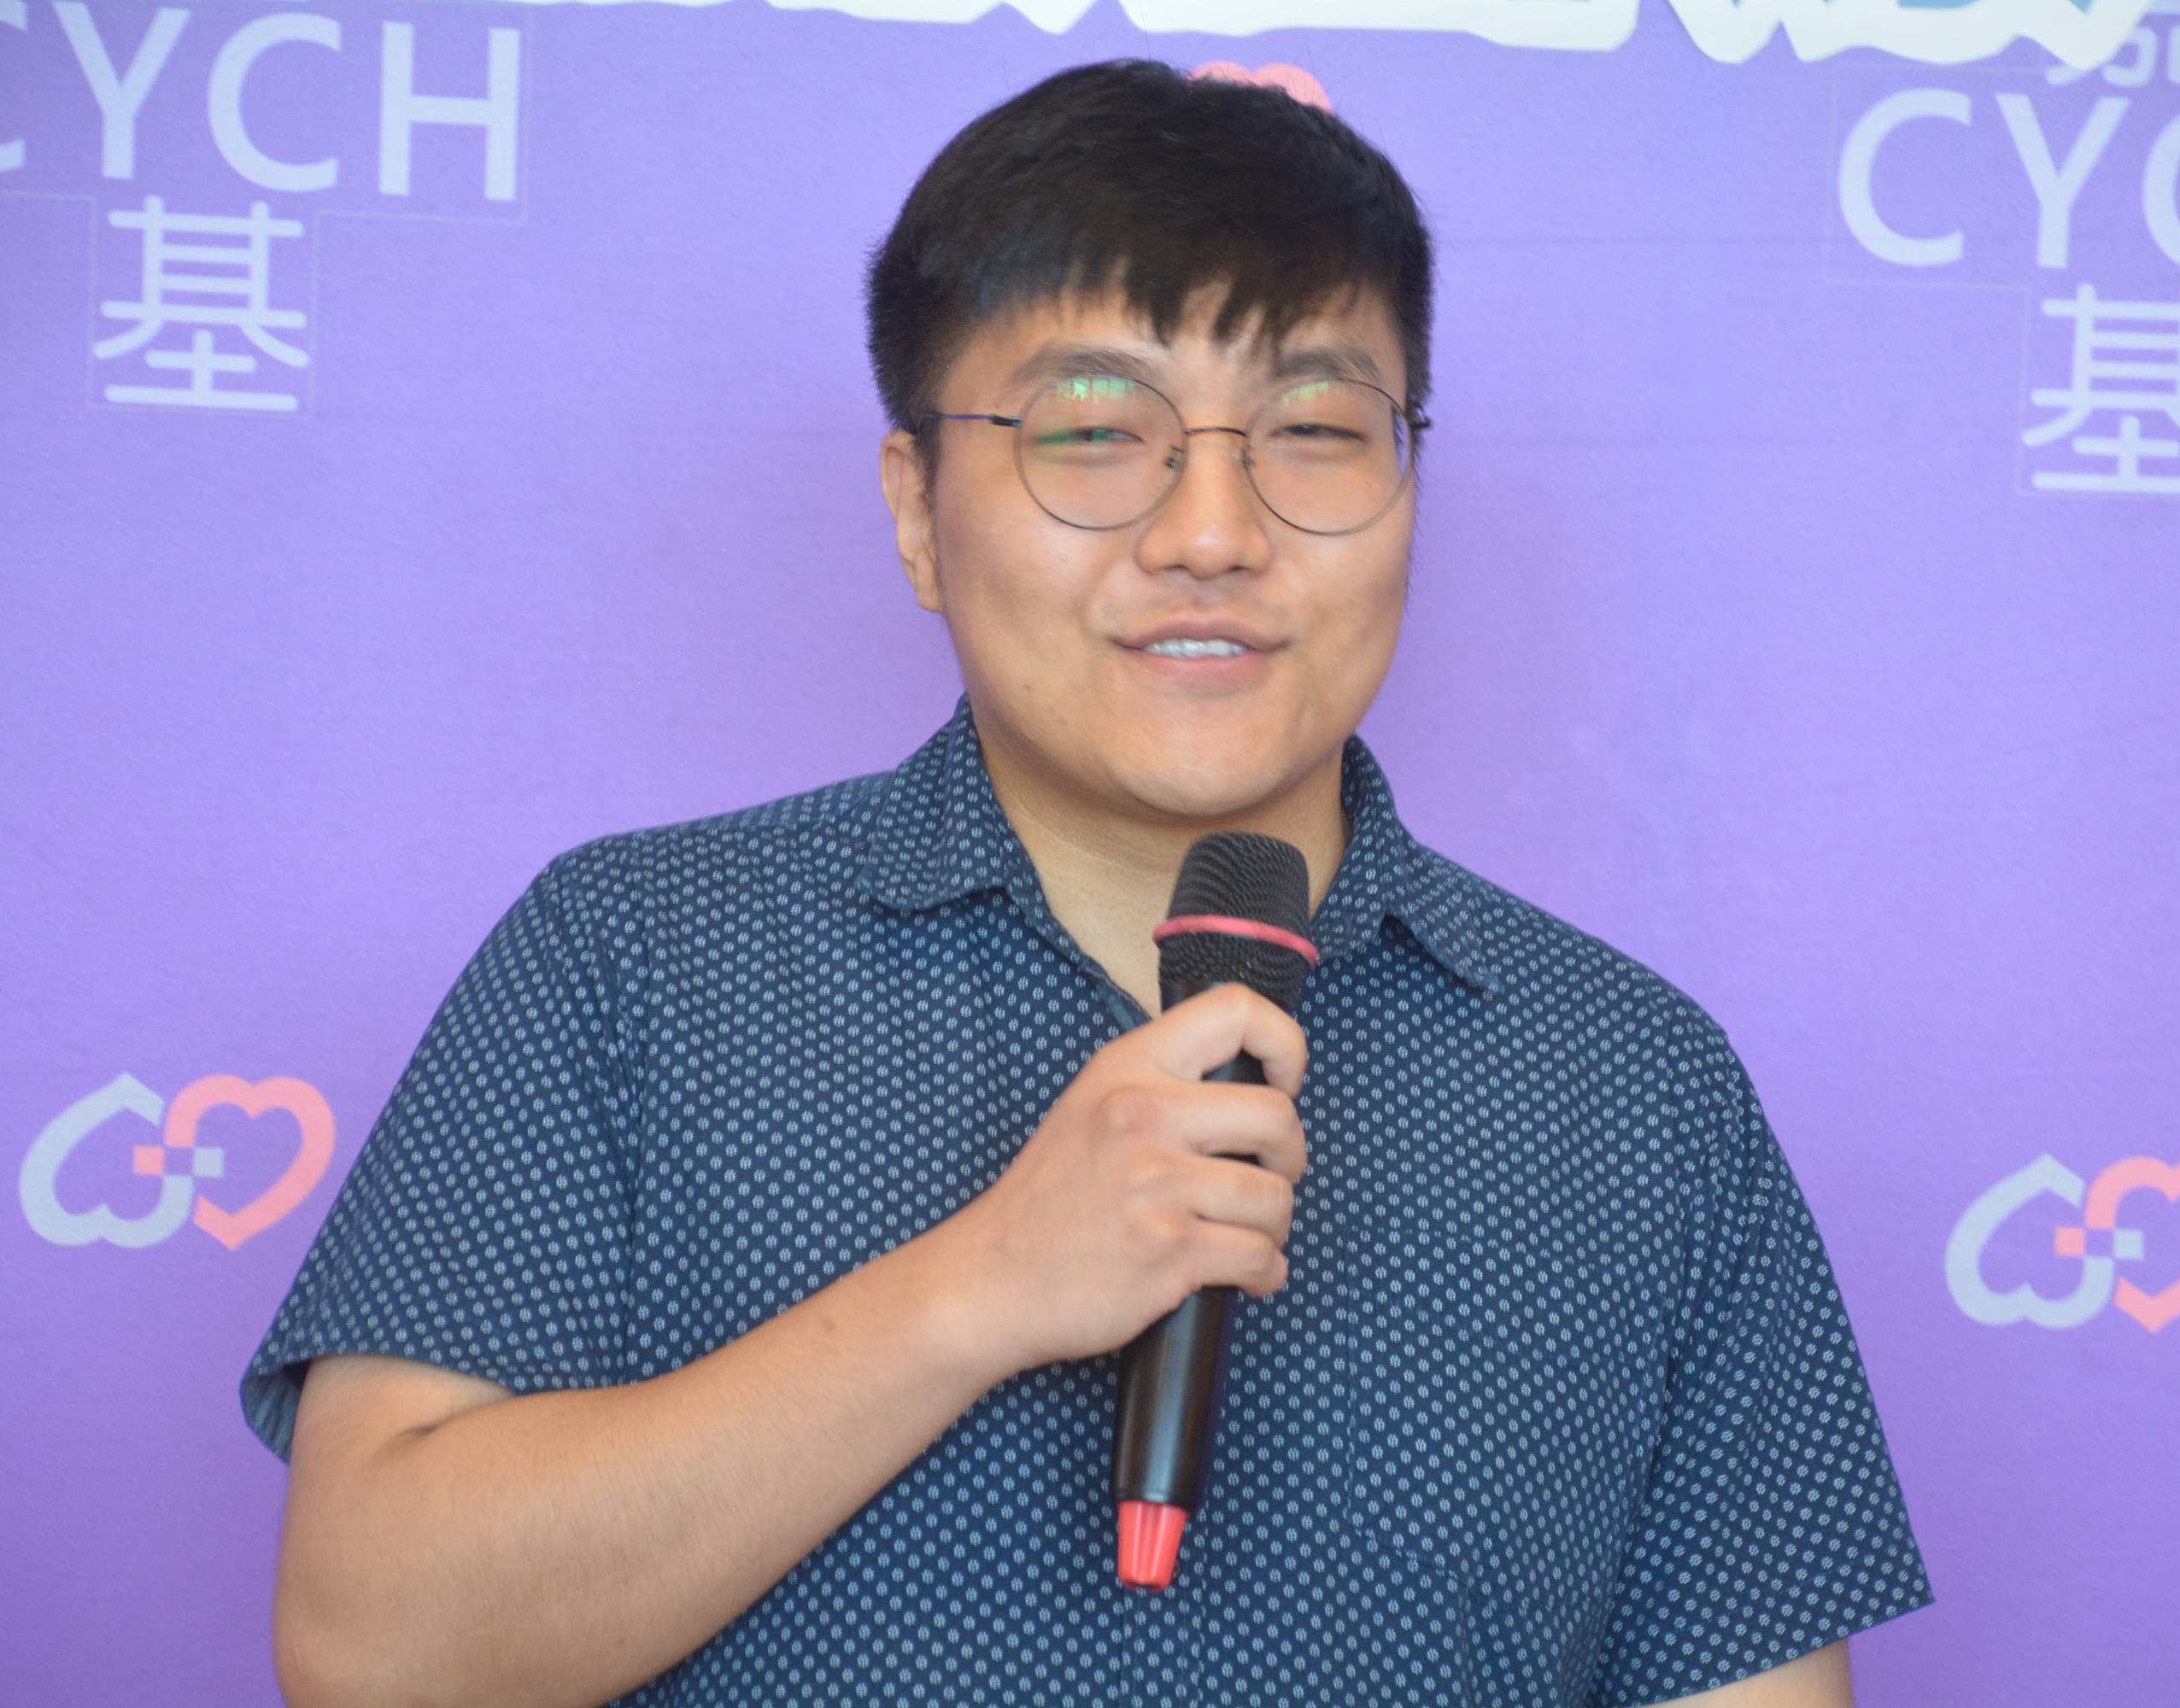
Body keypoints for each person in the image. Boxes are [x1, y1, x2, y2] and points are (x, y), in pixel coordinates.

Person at [245, 58, 1931, 1708]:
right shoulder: (634, 960)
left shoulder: (1632, 1085)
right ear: (917, 507)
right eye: (1095, 430)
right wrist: (981, 1287)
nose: (1210, 531)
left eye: (1313, 429)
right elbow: (370, 1651)